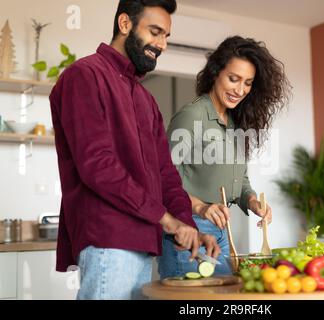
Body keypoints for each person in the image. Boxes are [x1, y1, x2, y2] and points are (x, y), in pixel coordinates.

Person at [49, 0, 220, 300]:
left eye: (166, 36)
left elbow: (166, 176)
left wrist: (189, 228)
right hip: (108, 240)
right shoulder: (83, 76)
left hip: (144, 242)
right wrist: (167, 220)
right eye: (155, 32)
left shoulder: (145, 99)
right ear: (125, 24)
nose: (162, 44)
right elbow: (97, 166)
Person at [158, 36, 291, 278]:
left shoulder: (235, 123)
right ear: (216, 72)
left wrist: (251, 200)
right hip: (191, 230)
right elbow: (162, 180)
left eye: (248, 83)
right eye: (234, 79)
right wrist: (201, 207)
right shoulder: (192, 116)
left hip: (223, 231)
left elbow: (241, 180)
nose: (240, 90)